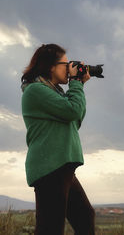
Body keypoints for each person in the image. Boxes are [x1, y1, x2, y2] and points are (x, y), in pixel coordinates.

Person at [21, 43, 95, 235]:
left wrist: (79, 85)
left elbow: (74, 120)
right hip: (49, 167)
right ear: (50, 66)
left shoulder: (55, 92)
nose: (68, 68)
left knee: (85, 217)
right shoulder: (35, 90)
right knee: (51, 229)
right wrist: (76, 83)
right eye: (65, 64)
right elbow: (73, 111)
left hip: (62, 166)